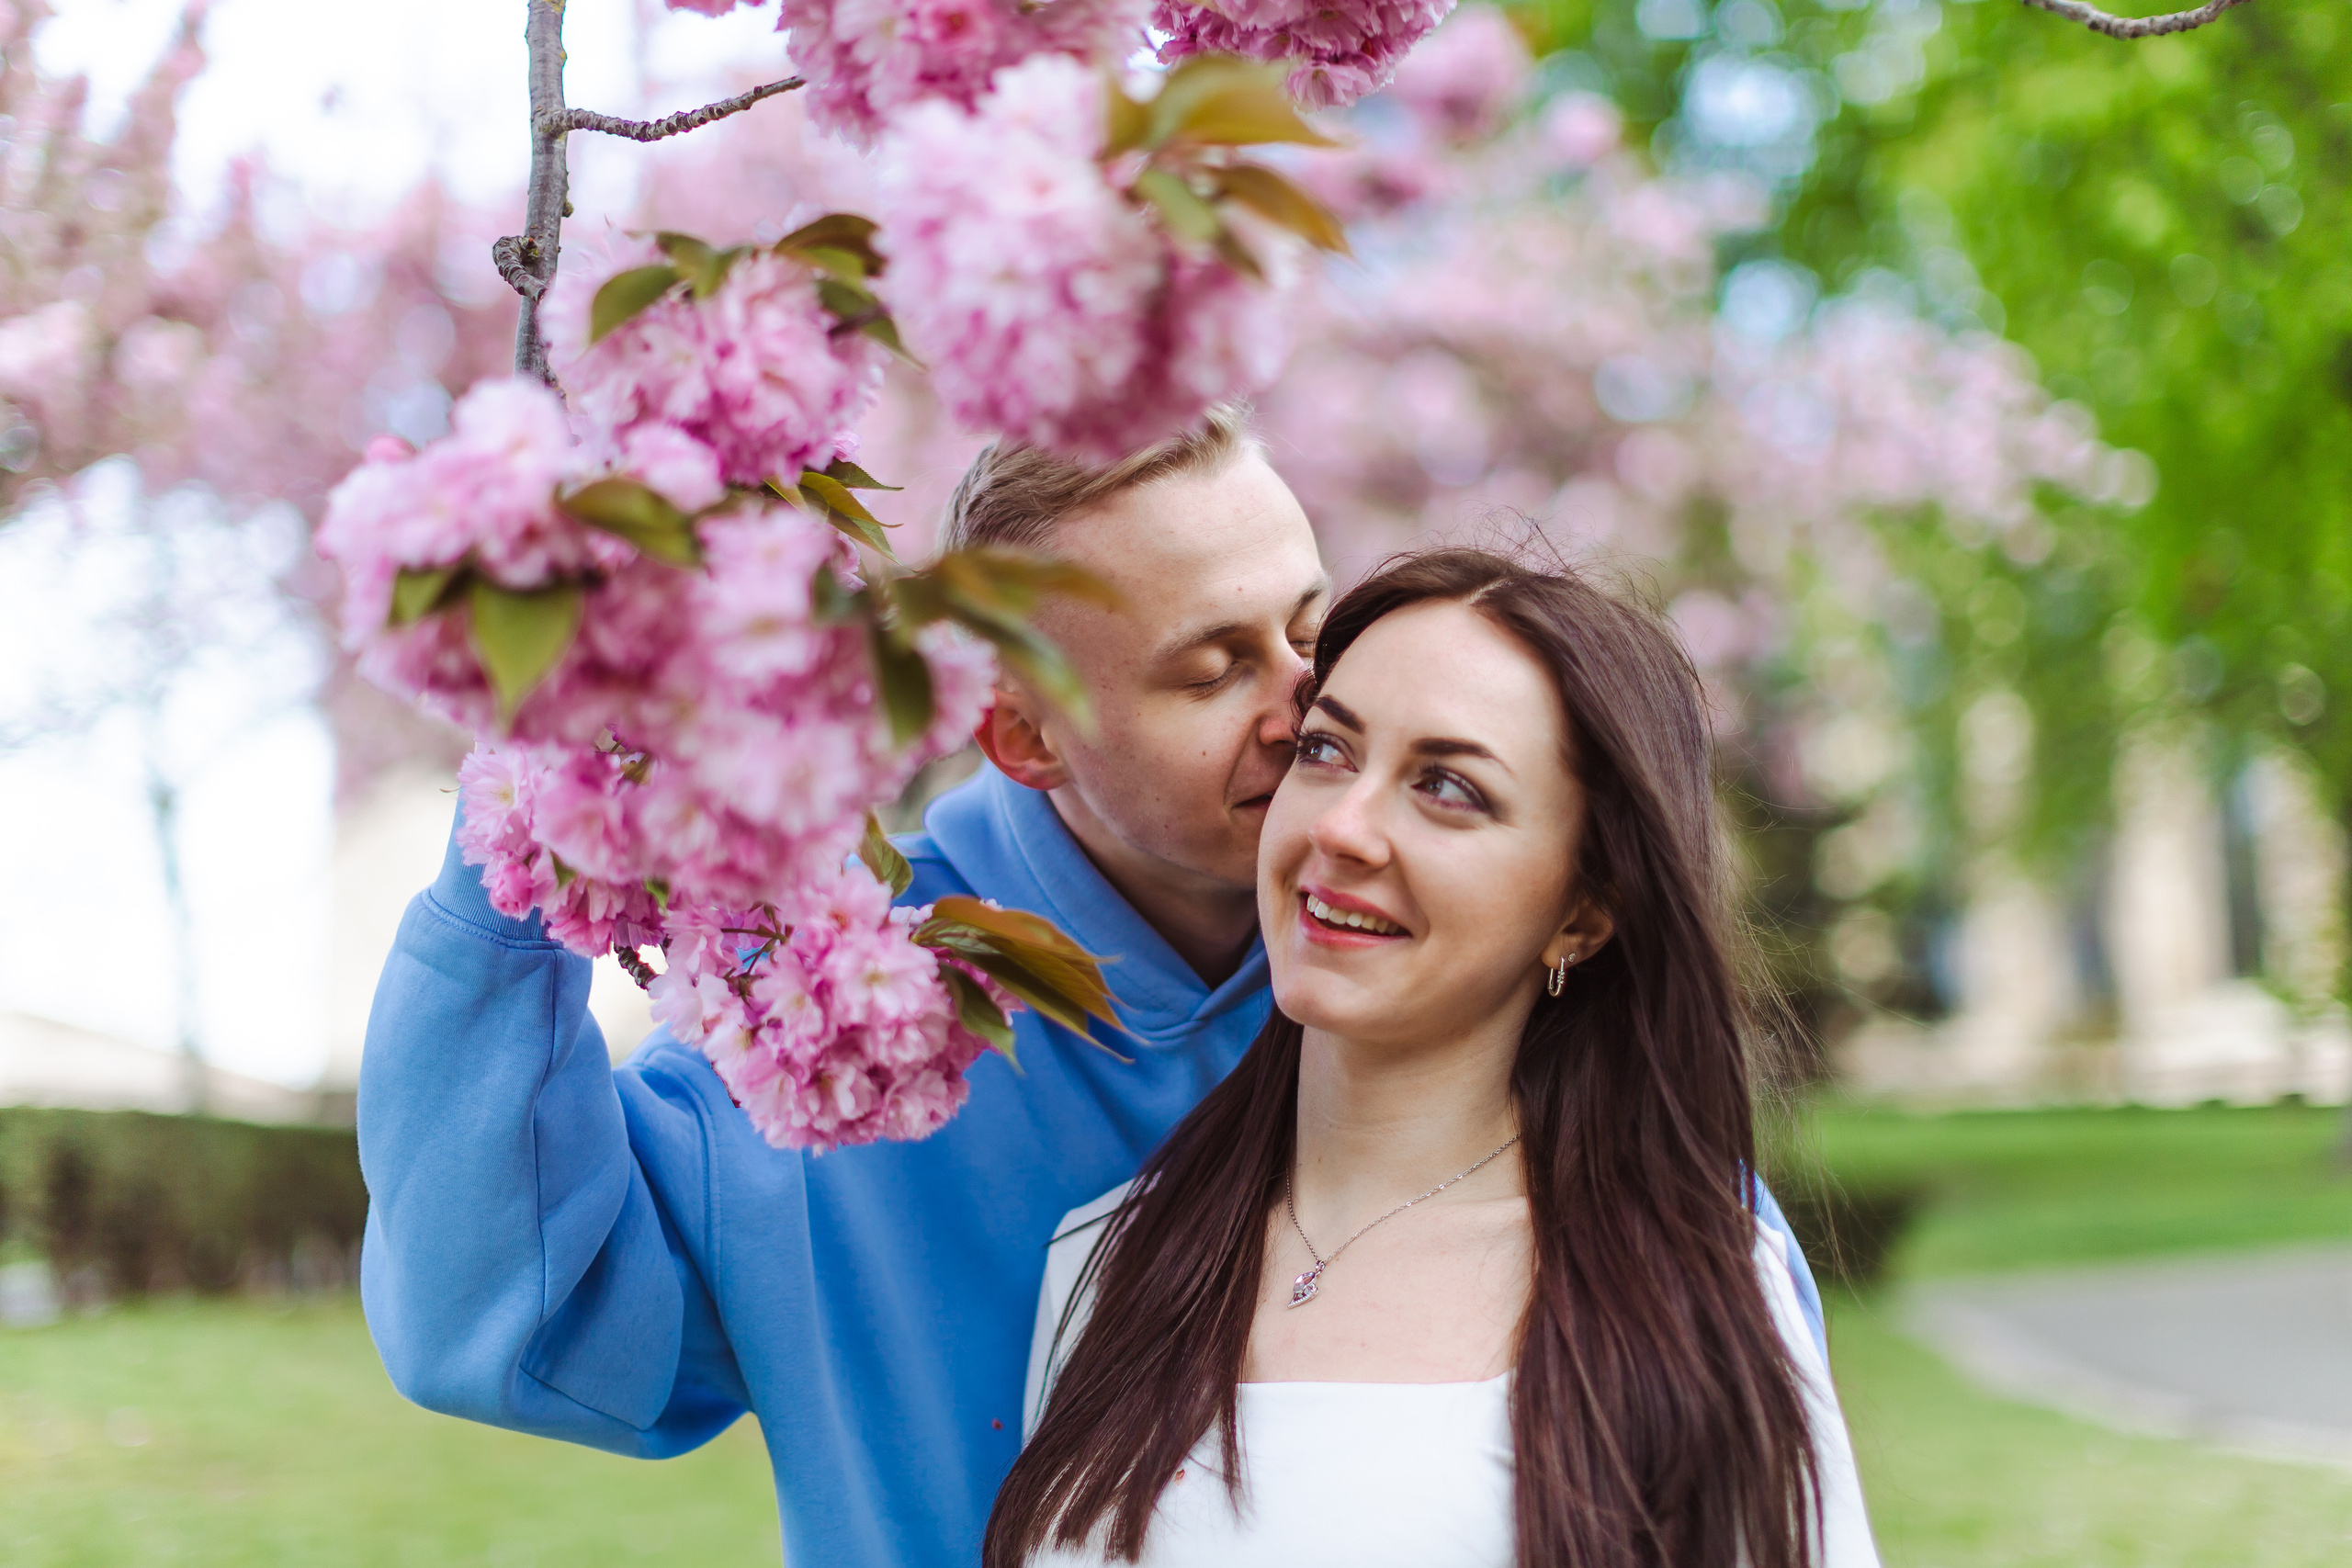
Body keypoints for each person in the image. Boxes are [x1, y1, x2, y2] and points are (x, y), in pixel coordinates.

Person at [357, 413, 1825, 1568]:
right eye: (1212, 669)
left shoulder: (1457, 982)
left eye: (1310, 625)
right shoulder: (828, 1020)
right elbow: (506, 1323)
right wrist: (532, 825)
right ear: (1023, 735)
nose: (1305, 703)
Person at [997, 549, 1874, 1568]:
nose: (1345, 828)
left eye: (1448, 787)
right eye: (1326, 752)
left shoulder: (1692, 1294)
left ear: (1584, 914)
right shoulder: (1108, 1263)